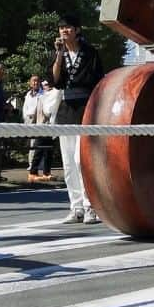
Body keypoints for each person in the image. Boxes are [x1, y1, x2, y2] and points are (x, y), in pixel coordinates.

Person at [50, 14, 104, 224]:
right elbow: (55, 80)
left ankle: (91, 206)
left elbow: (98, 80)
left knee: (81, 161)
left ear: (77, 30)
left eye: (68, 28)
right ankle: (76, 206)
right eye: (61, 29)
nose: (64, 31)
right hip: (67, 108)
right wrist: (58, 54)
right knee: (68, 163)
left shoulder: (90, 53)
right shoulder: (60, 54)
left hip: (86, 106)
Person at [23, 75, 52, 181]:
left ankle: (43, 171)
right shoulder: (28, 95)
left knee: (42, 147)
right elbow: (25, 109)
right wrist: (26, 119)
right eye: (33, 81)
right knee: (33, 146)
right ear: (30, 83)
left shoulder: (43, 94)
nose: (35, 83)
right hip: (30, 121)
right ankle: (32, 170)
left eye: (37, 81)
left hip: (40, 122)